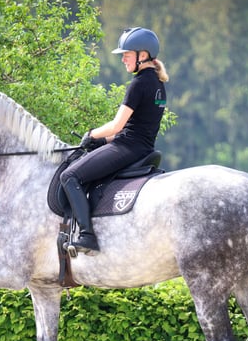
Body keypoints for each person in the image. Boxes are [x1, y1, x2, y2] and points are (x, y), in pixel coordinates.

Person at [60, 27, 169, 254]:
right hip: (140, 147)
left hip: (126, 148)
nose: (123, 59)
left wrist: (91, 134)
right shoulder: (158, 84)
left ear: (143, 55)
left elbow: (117, 125)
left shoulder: (138, 84)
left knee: (69, 176)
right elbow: (137, 127)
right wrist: (103, 142)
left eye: (126, 54)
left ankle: (87, 236)